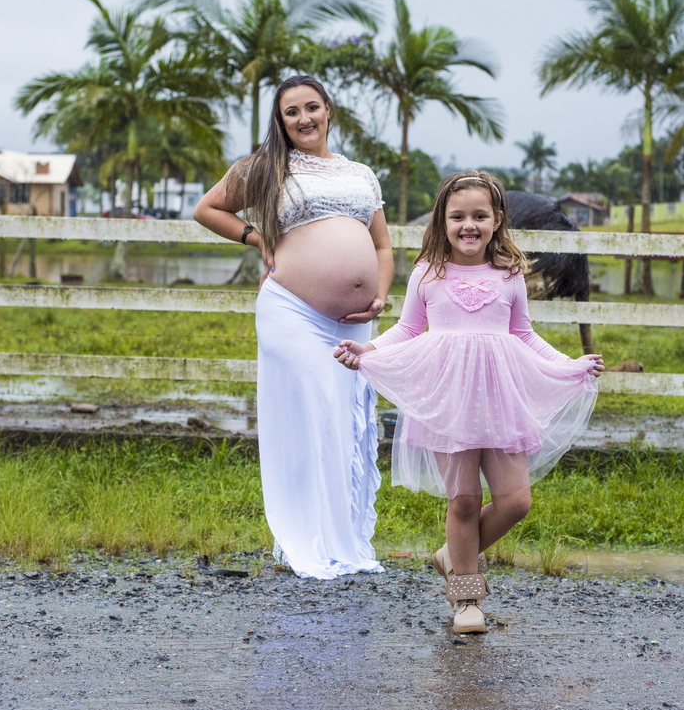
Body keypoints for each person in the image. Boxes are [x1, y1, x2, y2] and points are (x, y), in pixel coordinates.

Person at [333, 171, 603, 632]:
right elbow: (408, 330)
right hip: (448, 401)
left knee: (516, 501)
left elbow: (524, 334)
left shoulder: (510, 273)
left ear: (497, 220)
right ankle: (466, 599)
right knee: (462, 501)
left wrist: (569, 365)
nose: (469, 225)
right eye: (458, 216)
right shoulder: (428, 272)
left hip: (501, 399)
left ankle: (452, 554)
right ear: (444, 220)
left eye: (480, 216)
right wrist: (370, 350)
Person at [193, 75, 393, 579]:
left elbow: (383, 246)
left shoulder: (361, 174)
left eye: (311, 108)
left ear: (329, 111)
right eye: (291, 112)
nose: (303, 119)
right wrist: (256, 238)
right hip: (292, 311)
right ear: (280, 122)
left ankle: (341, 541)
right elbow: (207, 209)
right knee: (313, 411)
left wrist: (381, 294)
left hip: (351, 321)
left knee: (344, 421)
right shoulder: (265, 167)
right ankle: (304, 540)